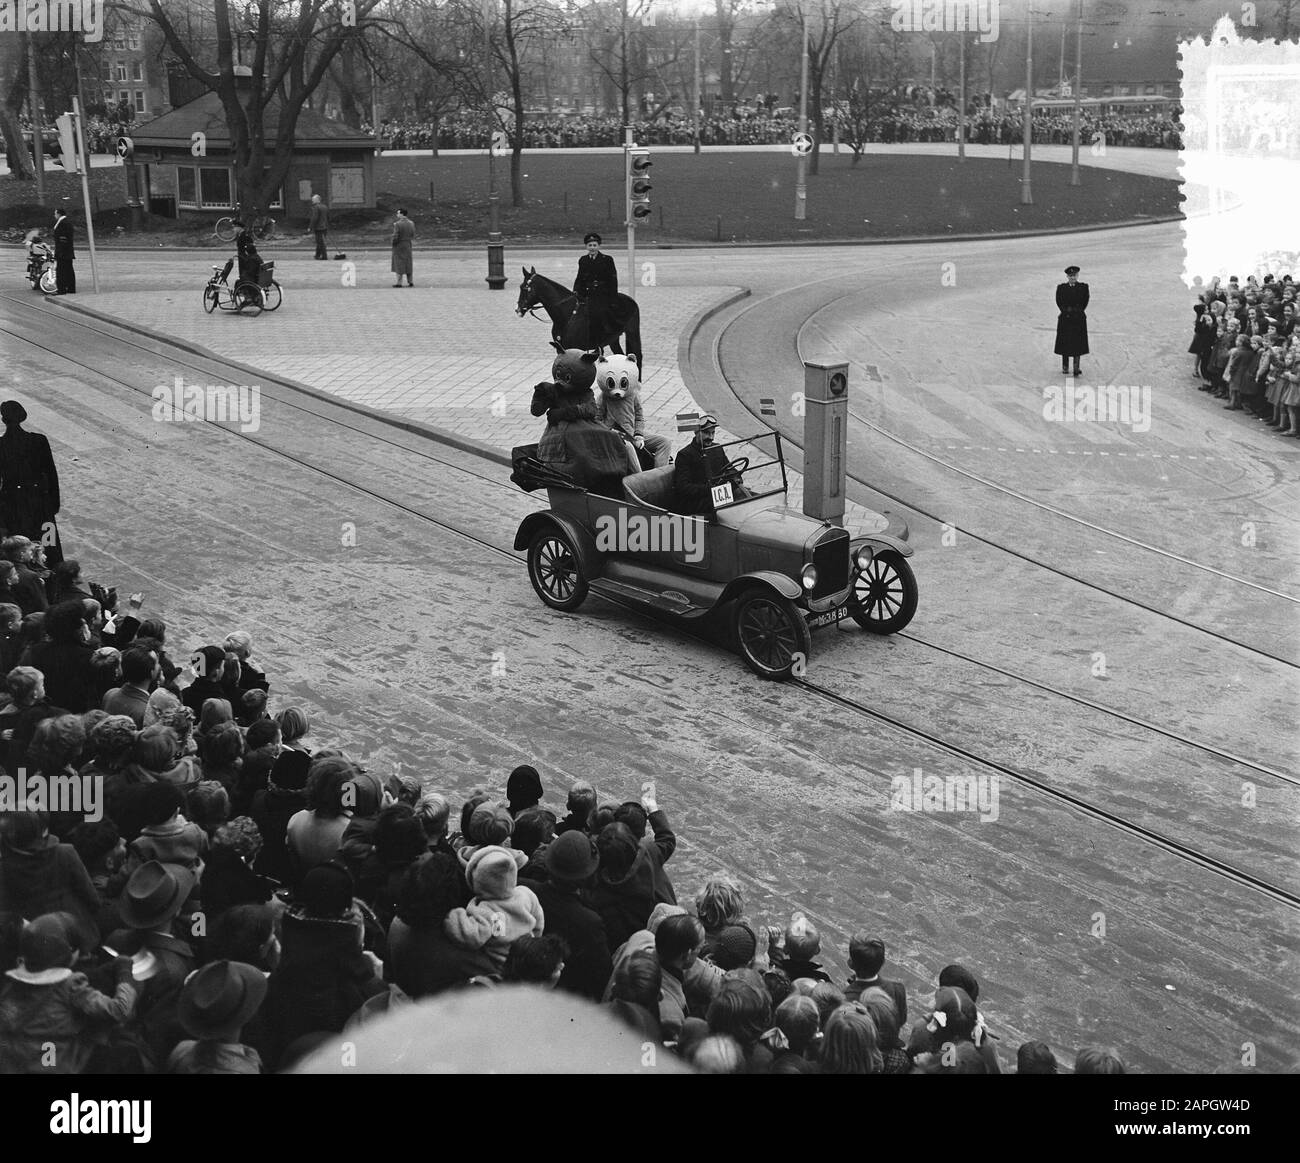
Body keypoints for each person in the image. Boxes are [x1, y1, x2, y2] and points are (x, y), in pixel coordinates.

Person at [0, 402, 61, 563]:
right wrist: (53, 504)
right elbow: (51, 473)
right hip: (40, 502)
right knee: (49, 543)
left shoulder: (1, 445)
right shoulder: (39, 441)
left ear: (3, 419)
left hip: (13, 504)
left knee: (21, 543)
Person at [671, 414, 736, 517]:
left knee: (744, 497)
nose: (710, 437)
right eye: (706, 433)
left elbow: (731, 470)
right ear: (696, 432)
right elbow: (684, 488)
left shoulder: (717, 448)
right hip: (696, 502)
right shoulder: (685, 454)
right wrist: (711, 489)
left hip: (719, 496)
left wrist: (735, 481)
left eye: (713, 433)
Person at [573, 232, 618, 342]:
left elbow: (612, 279)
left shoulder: (607, 259)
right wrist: (575, 291)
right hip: (588, 293)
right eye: (590, 245)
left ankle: (604, 335)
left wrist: (613, 297)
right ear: (586, 247)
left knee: (602, 315)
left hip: (602, 293)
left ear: (599, 246)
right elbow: (580, 277)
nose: (592, 248)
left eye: (594, 245)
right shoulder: (583, 260)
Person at [1054, 264, 1089, 376]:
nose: (1072, 277)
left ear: (1077, 275)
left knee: (1077, 342)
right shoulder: (1061, 288)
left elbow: (1085, 300)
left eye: (1074, 275)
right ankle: (1065, 366)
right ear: (1067, 277)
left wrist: (1077, 311)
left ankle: (1076, 367)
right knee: (1065, 342)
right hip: (1066, 318)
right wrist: (1066, 311)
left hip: (1078, 318)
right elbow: (1059, 301)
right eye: (1070, 276)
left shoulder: (1083, 287)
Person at [233, 222, 262, 302]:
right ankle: (248, 296)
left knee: (243, 278)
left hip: (247, 262)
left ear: (239, 228)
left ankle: (248, 297)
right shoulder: (241, 236)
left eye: (235, 227)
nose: (233, 229)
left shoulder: (245, 237)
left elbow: (249, 249)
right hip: (244, 261)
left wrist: (246, 260)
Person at [51, 207, 75, 294]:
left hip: (63, 251)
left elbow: (63, 238)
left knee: (61, 270)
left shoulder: (62, 223)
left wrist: (60, 251)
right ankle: (71, 288)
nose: (54, 215)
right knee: (68, 269)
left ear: (59, 214)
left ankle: (61, 289)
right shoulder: (66, 222)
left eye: (55, 213)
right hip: (67, 251)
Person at [390, 208, 414, 287]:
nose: (397, 215)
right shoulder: (411, 223)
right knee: (408, 262)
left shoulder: (397, 224)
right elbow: (412, 234)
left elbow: (396, 236)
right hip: (408, 244)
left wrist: (393, 243)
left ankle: (399, 282)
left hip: (399, 245)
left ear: (402, 214)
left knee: (399, 263)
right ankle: (410, 281)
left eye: (398, 213)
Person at [307, 194, 329, 261]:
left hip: (319, 227)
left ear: (317, 200)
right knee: (320, 241)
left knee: (320, 242)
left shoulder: (316, 207)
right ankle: (317, 255)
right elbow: (327, 217)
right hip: (325, 226)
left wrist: (310, 227)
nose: (312, 201)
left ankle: (324, 256)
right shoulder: (325, 206)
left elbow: (314, 218)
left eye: (313, 199)